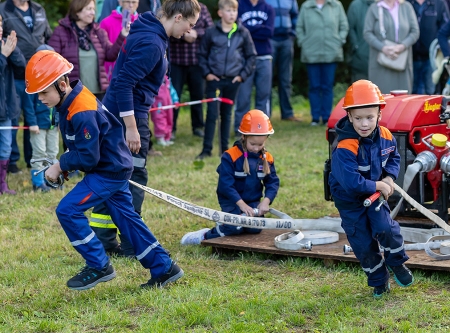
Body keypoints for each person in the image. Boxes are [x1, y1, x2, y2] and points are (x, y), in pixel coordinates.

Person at [25, 50, 184, 290]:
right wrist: (67, 165)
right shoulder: (70, 101)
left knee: (67, 210)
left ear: (62, 83)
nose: (41, 98)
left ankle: (99, 266)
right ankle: (164, 267)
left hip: (107, 173)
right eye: (37, 94)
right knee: (128, 221)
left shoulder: (82, 110)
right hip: (113, 168)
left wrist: (60, 165)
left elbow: (89, 157)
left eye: (44, 92)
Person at [89, 0, 201, 257]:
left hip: (118, 113)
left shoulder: (149, 26)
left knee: (113, 176)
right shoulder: (152, 43)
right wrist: (131, 128)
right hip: (126, 118)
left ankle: (104, 241)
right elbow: (124, 84)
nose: (188, 31)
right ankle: (131, 243)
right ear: (178, 17)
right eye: (189, 25)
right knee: (134, 178)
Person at [328, 80, 414, 298]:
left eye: (369, 117)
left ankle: (397, 264)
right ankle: (378, 281)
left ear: (379, 114)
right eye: (358, 118)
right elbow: (351, 183)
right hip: (350, 202)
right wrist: (379, 184)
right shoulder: (344, 147)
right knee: (363, 243)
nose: (364, 124)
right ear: (349, 116)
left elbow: (393, 156)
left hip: (375, 197)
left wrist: (389, 177)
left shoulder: (385, 135)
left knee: (386, 228)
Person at [182, 109, 279, 244]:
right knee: (235, 226)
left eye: (260, 144)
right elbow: (225, 185)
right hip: (231, 201)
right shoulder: (230, 156)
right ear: (244, 137)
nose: (256, 148)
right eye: (253, 144)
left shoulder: (267, 158)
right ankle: (204, 236)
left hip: (252, 202)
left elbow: (272, 182)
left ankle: (232, 223)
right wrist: (242, 205)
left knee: (255, 228)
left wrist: (266, 201)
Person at [196, 0, 256, 160]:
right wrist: (207, 73)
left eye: (234, 11)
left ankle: (224, 150)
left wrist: (241, 75)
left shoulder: (242, 32)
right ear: (220, 13)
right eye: (228, 11)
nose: (232, 14)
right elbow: (201, 54)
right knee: (211, 114)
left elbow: (251, 56)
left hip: (232, 81)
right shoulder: (211, 32)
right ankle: (206, 149)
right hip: (214, 80)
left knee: (226, 115)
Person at [0, 0, 52, 174]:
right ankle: (12, 161)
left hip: (38, 74)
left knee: (35, 115)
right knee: (13, 118)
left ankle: (32, 159)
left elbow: (47, 35)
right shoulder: (4, 9)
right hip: (14, 76)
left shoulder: (38, 8)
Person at [48, 0, 130, 100]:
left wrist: (122, 35)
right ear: (77, 11)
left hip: (98, 93)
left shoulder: (98, 31)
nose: (93, 13)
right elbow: (52, 61)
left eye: (93, 9)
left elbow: (111, 55)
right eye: (89, 9)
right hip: (74, 93)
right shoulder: (61, 32)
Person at [296, 0, 348, 126]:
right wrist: (304, 42)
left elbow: (344, 26)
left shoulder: (336, 5)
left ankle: (326, 117)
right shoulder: (306, 6)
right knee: (314, 86)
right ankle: (315, 118)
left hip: (331, 52)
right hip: (311, 53)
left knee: (327, 86)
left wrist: (339, 41)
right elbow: (299, 28)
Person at [169, 1, 213, 139]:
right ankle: (171, 128)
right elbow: (168, 30)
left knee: (198, 96)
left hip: (197, 62)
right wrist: (183, 36)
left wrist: (196, 33)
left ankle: (198, 126)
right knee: (174, 97)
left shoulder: (203, 9)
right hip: (176, 62)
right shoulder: (175, 8)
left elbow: (211, 31)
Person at [233, 0, 275, 136]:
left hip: (264, 57)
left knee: (263, 95)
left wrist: (248, 29)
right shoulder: (239, 6)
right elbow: (238, 29)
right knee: (243, 96)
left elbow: (269, 32)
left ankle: (262, 129)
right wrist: (259, 27)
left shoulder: (269, 8)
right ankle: (240, 130)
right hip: (244, 58)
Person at [363, 0, 419, 94]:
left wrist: (402, 46)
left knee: (402, 99)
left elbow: (415, 31)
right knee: (382, 97)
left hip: (402, 61)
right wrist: (383, 48)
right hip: (381, 63)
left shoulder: (406, 7)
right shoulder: (374, 8)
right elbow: (367, 33)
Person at [28, 44, 60, 192]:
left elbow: (60, 103)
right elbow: (28, 104)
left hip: (53, 125)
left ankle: (52, 180)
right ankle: (38, 182)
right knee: (39, 152)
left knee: (52, 152)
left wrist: (59, 121)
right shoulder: (32, 81)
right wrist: (32, 122)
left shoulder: (57, 80)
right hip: (38, 126)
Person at [0, 18, 25, 194]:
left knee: (6, 147)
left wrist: (12, 50)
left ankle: (2, 184)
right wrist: (2, 57)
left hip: (6, 108)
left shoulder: (5, 46)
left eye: (0, 25)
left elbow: (21, 68)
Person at [265, 0, 300, 122]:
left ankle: (287, 113)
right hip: (270, 40)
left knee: (286, 79)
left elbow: (295, 15)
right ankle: (266, 114)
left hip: (286, 40)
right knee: (267, 79)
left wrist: (293, 34)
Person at [407, 0, 449, 94]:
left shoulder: (439, 3)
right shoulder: (407, 3)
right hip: (410, 56)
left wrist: (444, 54)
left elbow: (444, 30)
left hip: (431, 58)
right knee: (412, 91)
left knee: (431, 91)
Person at [99, 0, 139, 81]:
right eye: (127, 2)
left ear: (138, 3)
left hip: (135, 73)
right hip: (111, 74)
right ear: (120, 2)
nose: (131, 5)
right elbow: (101, 52)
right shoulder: (106, 22)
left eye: (134, 2)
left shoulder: (142, 23)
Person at [347, 0, 375, 82]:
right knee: (360, 89)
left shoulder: (381, 5)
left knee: (379, 91)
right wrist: (356, 46)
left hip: (379, 57)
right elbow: (350, 28)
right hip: (360, 58)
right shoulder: (355, 5)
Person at [150, 76, 176, 146]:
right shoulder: (153, 79)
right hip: (158, 105)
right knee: (160, 121)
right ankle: (160, 138)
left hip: (168, 105)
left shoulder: (167, 80)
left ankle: (167, 138)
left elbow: (172, 91)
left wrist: (175, 100)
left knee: (169, 120)